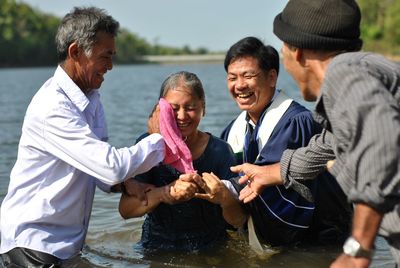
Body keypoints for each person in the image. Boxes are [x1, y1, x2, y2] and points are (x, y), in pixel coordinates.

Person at [232, 0, 400, 267]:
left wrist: (359, 248)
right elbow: (329, 145)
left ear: (296, 52)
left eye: (283, 49)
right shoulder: (369, 69)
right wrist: (271, 172)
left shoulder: (343, 75)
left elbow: (380, 142)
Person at [0, 7, 166, 267]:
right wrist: (158, 138)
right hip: (33, 247)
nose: (110, 66)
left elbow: (96, 167)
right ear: (75, 52)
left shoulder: (91, 100)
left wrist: (124, 185)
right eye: (105, 56)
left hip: (64, 248)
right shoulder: (53, 107)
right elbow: (111, 167)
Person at [220, 36, 350, 247]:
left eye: (248, 76)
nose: (240, 85)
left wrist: (221, 188)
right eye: (232, 78)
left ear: (272, 77)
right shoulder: (232, 129)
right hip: (279, 237)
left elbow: (262, 175)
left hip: (320, 238)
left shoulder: (295, 122)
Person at [119, 71, 246, 251]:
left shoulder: (220, 151)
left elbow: (239, 220)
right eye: (173, 108)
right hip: (156, 247)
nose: (181, 116)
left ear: (203, 107)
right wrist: (164, 193)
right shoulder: (148, 146)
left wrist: (224, 197)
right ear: (160, 110)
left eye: (190, 107)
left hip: (210, 248)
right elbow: (126, 209)